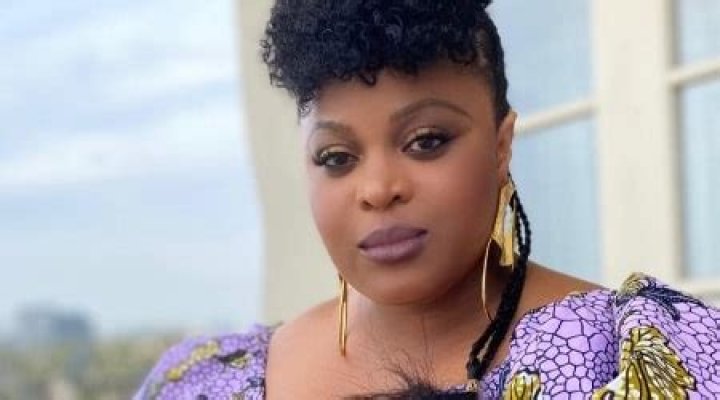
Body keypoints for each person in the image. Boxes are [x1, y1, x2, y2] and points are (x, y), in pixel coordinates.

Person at [134, 1, 720, 398]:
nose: (378, 189)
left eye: (426, 141)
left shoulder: (640, 357)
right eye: (336, 157)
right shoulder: (205, 383)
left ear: (501, 146)